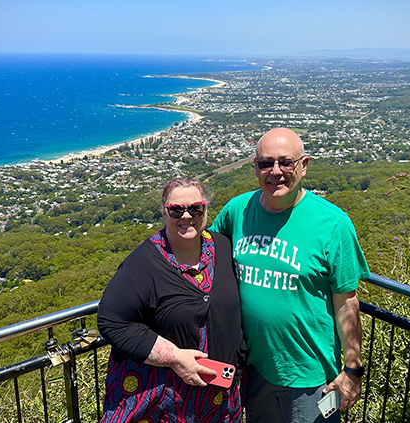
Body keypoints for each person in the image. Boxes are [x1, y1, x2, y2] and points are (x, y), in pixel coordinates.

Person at [210, 127, 370, 423]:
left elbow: (347, 302)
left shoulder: (333, 224)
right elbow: (203, 255)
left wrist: (352, 371)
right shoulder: (237, 211)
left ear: (304, 165)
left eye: (286, 162)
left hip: (312, 377)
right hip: (254, 369)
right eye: (265, 163)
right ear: (255, 167)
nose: (275, 171)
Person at [97, 178, 246, 423]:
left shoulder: (221, 246)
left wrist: (237, 359)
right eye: (176, 210)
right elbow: (112, 322)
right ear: (164, 213)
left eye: (195, 208)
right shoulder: (143, 263)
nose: (186, 216)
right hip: (163, 404)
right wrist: (175, 358)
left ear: (206, 209)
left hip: (218, 402)